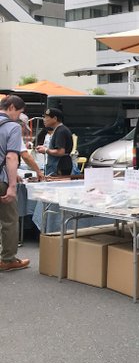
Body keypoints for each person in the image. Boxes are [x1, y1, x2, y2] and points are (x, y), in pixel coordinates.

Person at [0, 95, 29, 271]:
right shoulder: (12, 127)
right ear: (11, 107)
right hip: (1, 179)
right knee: (9, 220)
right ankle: (8, 259)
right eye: (19, 112)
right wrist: (12, 186)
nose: (18, 117)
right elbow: (11, 157)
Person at [35, 108, 73, 176]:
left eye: (46, 117)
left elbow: (61, 152)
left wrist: (45, 150)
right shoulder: (58, 130)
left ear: (55, 118)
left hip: (59, 166)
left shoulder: (60, 131)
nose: (44, 120)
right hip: (57, 166)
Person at [17, 113, 44, 181]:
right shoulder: (15, 135)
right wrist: (38, 172)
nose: (24, 131)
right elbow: (25, 156)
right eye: (24, 128)